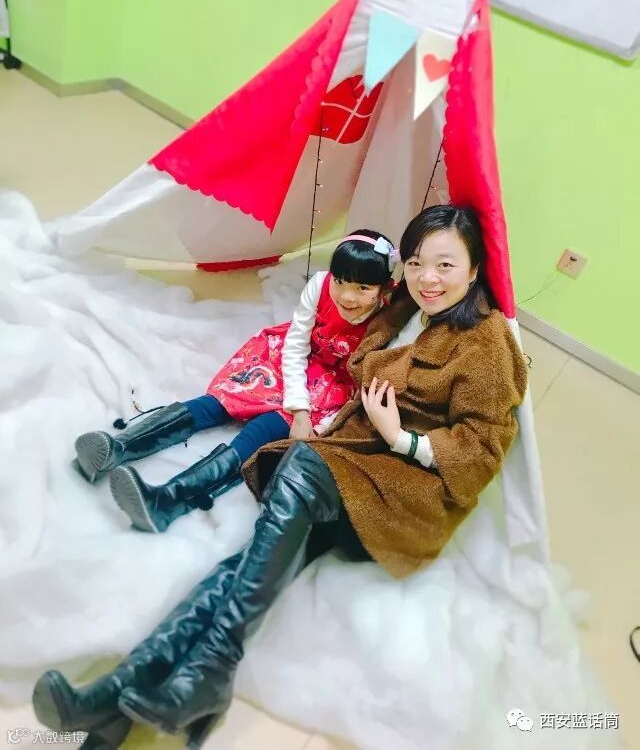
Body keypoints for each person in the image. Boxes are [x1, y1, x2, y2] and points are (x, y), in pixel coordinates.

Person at [32, 205, 528, 749]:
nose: (427, 277)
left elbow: (482, 452)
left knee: (300, 464)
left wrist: (400, 438)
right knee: (241, 567)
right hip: (352, 468)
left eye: (445, 265)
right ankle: (116, 701)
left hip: (402, 493)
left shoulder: (487, 343)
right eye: (416, 262)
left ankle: (207, 673)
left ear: (474, 270)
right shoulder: (405, 306)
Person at [73, 229, 396, 534]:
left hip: (333, 385)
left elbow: (368, 380)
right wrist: (297, 403)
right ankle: (118, 448)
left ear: (384, 288)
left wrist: (302, 415)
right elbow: (296, 343)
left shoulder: (388, 319)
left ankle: (166, 501)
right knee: (222, 401)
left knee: (264, 429)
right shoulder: (320, 285)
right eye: (340, 281)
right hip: (293, 358)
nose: (347, 296)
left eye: (363, 288)